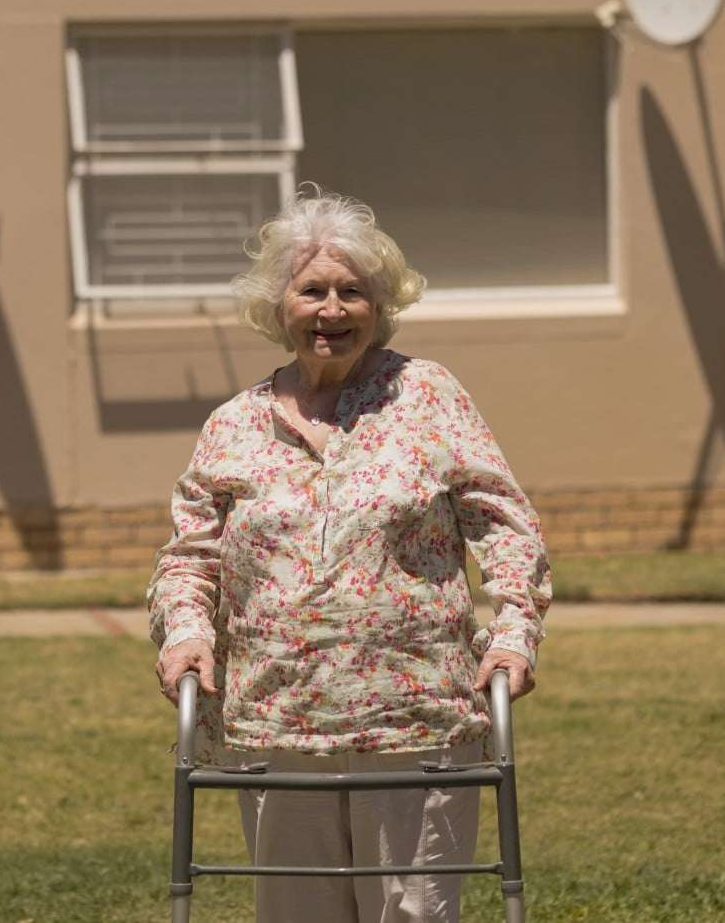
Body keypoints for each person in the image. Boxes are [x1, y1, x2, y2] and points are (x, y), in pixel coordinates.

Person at [148, 188, 553, 923]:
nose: (331, 309)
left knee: (413, 913)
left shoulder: (427, 396)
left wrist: (514, 630)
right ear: (280, 307)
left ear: (379, 305)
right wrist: (185, 633)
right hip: (275, 719)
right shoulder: (233, 424)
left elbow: (506, 523)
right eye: (312, 291)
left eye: (351, 292)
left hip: (417, 721)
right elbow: (189, 554)